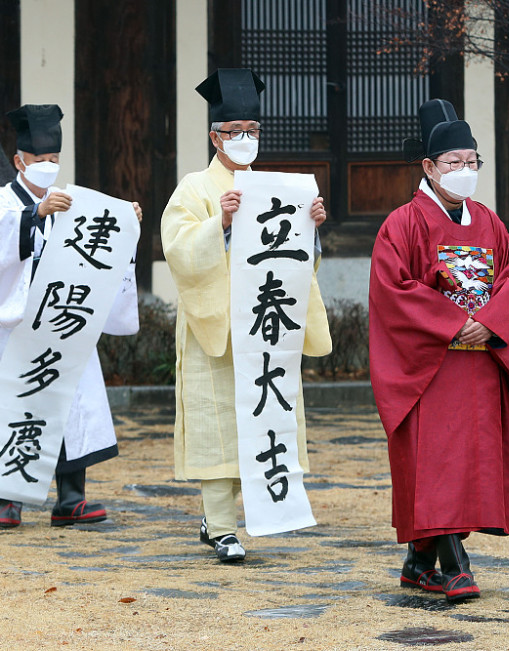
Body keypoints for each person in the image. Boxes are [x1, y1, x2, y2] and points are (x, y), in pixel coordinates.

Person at [368, 98, 509, 603]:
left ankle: (419, 562)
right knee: (436, 465)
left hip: (479, 362)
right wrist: (453, 322)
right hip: (432, 368)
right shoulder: (402, 223)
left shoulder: (489, 222)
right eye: (453, 163)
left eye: (471, 163)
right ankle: (456, 566)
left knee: (468, 463)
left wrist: (486, 323)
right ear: (428, 167)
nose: (464, 171)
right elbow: (392, 290)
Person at [161, 69, 331, 563]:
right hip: (216, 326)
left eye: (252, 131)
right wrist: (222, 222)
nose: (244, 139)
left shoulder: (277, 188)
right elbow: (178, 249)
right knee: (218, 422)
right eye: (234, 131)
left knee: (262, 415)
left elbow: (300, 263)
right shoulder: (195, 188)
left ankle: (240, 512)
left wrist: (312, 228)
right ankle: (220, 526)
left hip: (266, 324)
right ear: (214, 136)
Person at [0, 104, 141, 528]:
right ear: (19, 162)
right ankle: (8, 499)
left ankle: (71, 497)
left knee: (70, 395)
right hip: (13, 323)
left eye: (54, 160)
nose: (48, 168)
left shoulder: (73, 202)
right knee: (13, 398)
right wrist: (37, 215)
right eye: (39, 161)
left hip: (62, 317)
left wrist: (126, 224)